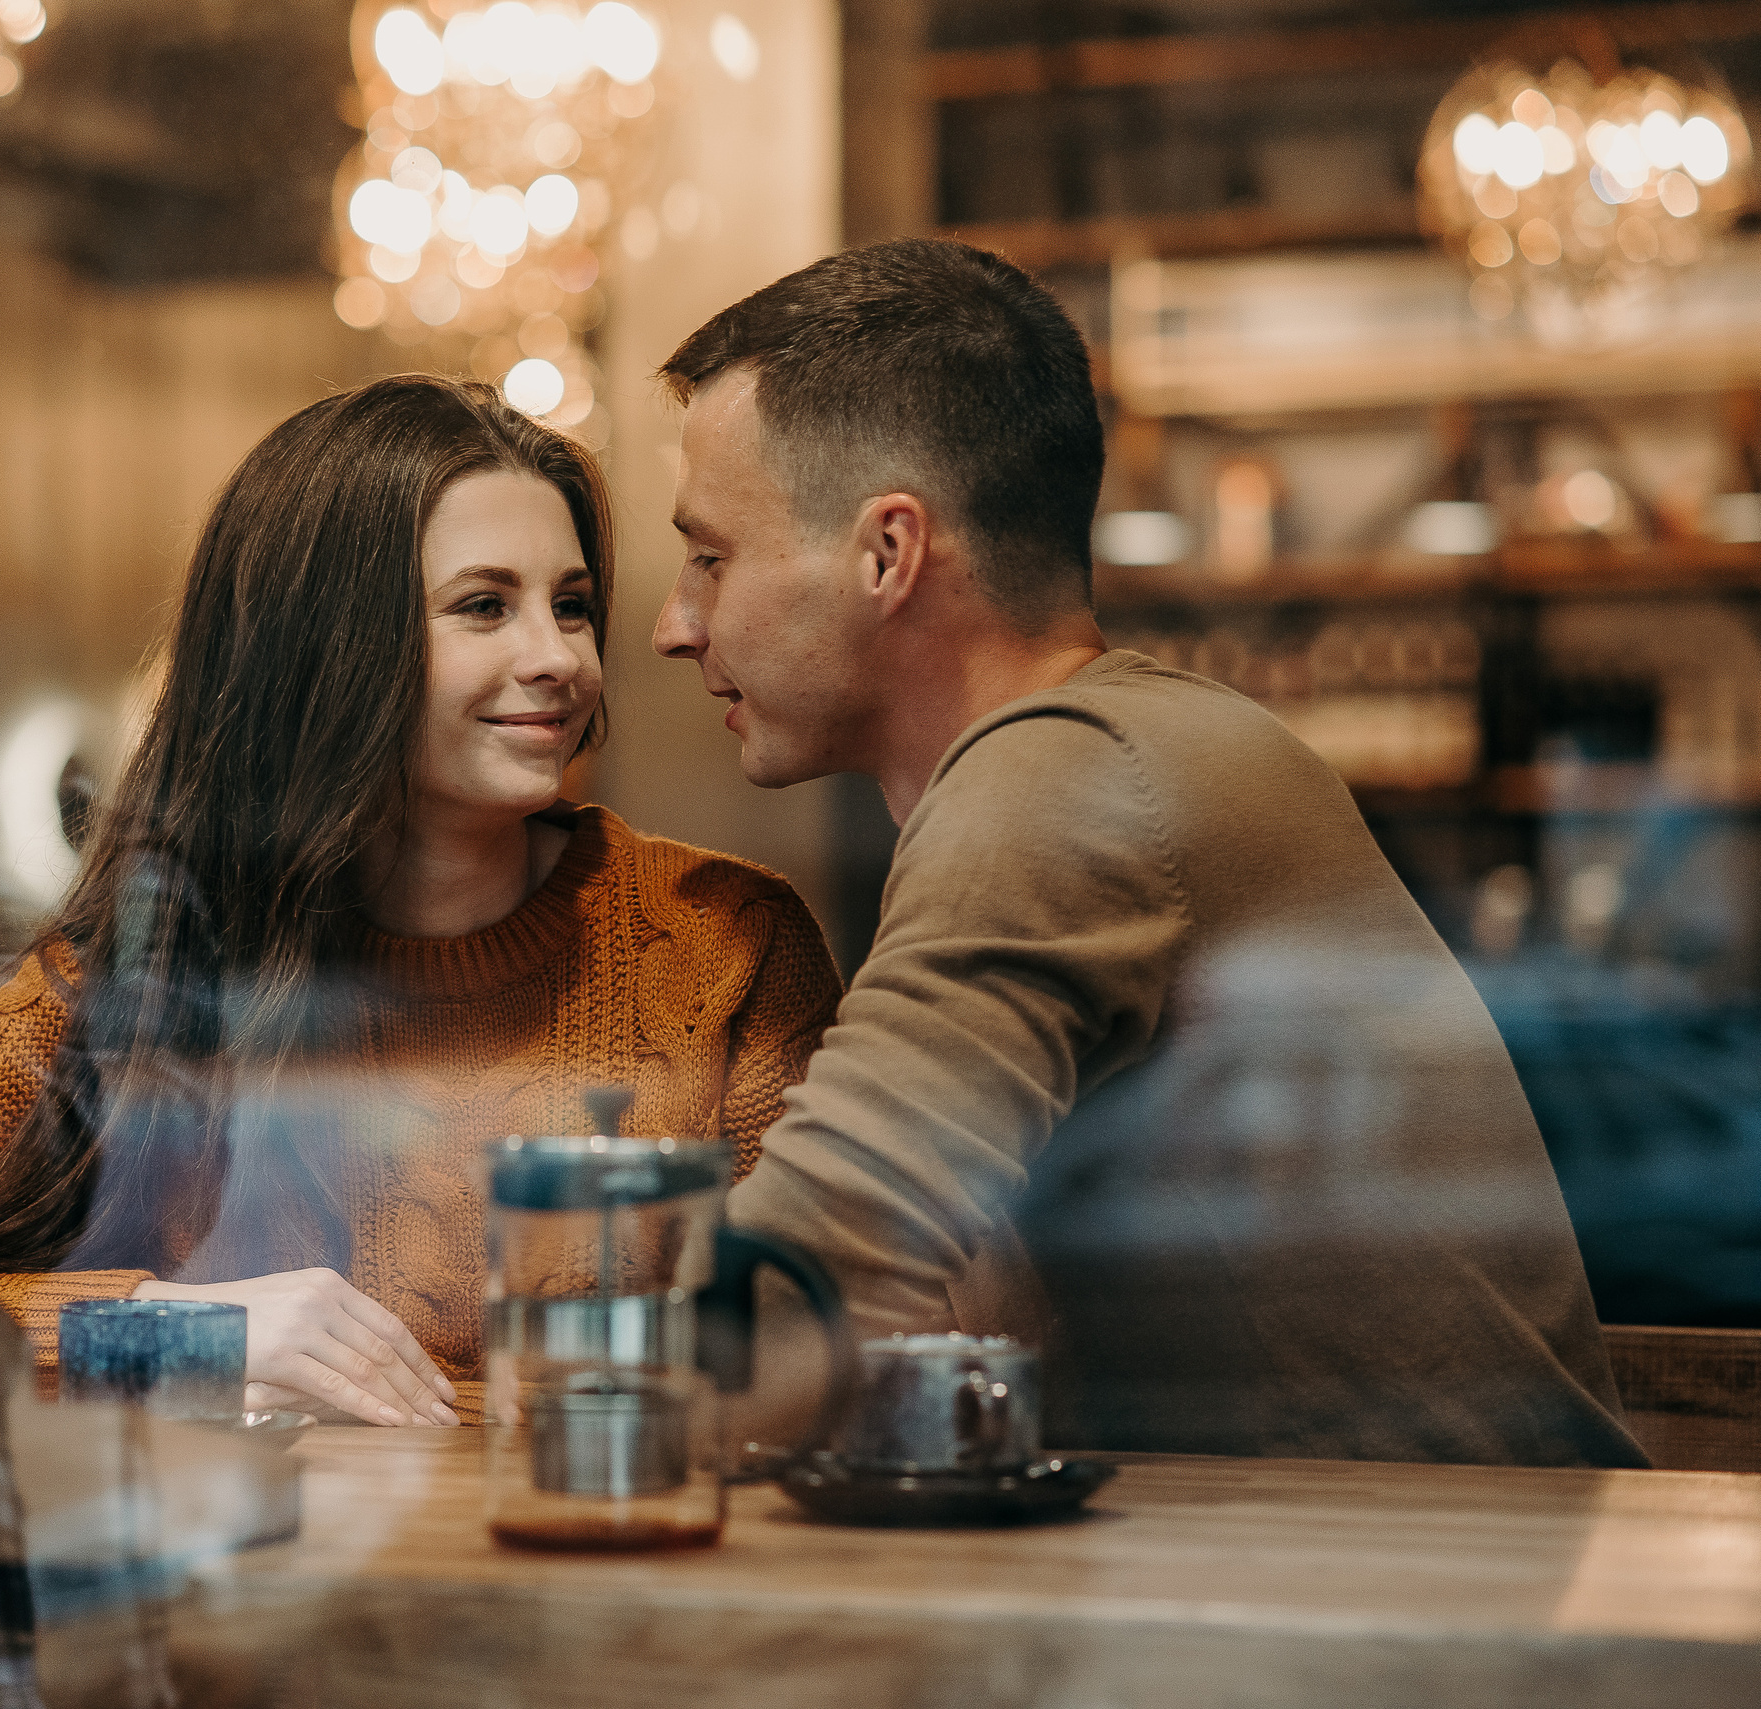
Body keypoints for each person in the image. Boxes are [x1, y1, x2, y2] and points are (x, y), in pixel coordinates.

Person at [654, 239, 1644, 1467]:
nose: (671, 624)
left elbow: (797, 1288)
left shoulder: (1060, 779)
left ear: (886, 554)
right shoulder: (1128, 744)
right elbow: (926, 1309)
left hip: (1436, 1607)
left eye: (710, 556)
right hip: (1377, 1578)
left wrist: (508, 1374)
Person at [0, 375, 842, 1426]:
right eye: (484, 606)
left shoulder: (724, 942)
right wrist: (183, 1333)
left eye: (569, 605)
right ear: (325, 649)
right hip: (257, 1582)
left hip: (615, 1566)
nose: (557, 658)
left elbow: (827, 1351)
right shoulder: (146, 958)